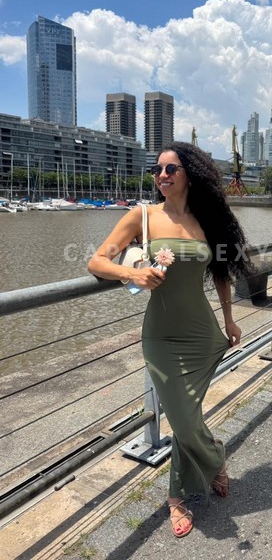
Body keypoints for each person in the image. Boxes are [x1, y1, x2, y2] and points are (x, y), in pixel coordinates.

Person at [88, 141, 252, 538]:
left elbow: (220, 275)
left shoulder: (206, 220)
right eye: (157, 169)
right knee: (182, 416)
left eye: (171, 168)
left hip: (201, 333)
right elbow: (97, 261)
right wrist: (132, 274)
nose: (162, 175)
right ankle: (215, 457)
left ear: (189, 174)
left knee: (185, 418)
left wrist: (229, 320)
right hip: (160, 335)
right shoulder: (142, 216)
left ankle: (177, 494)